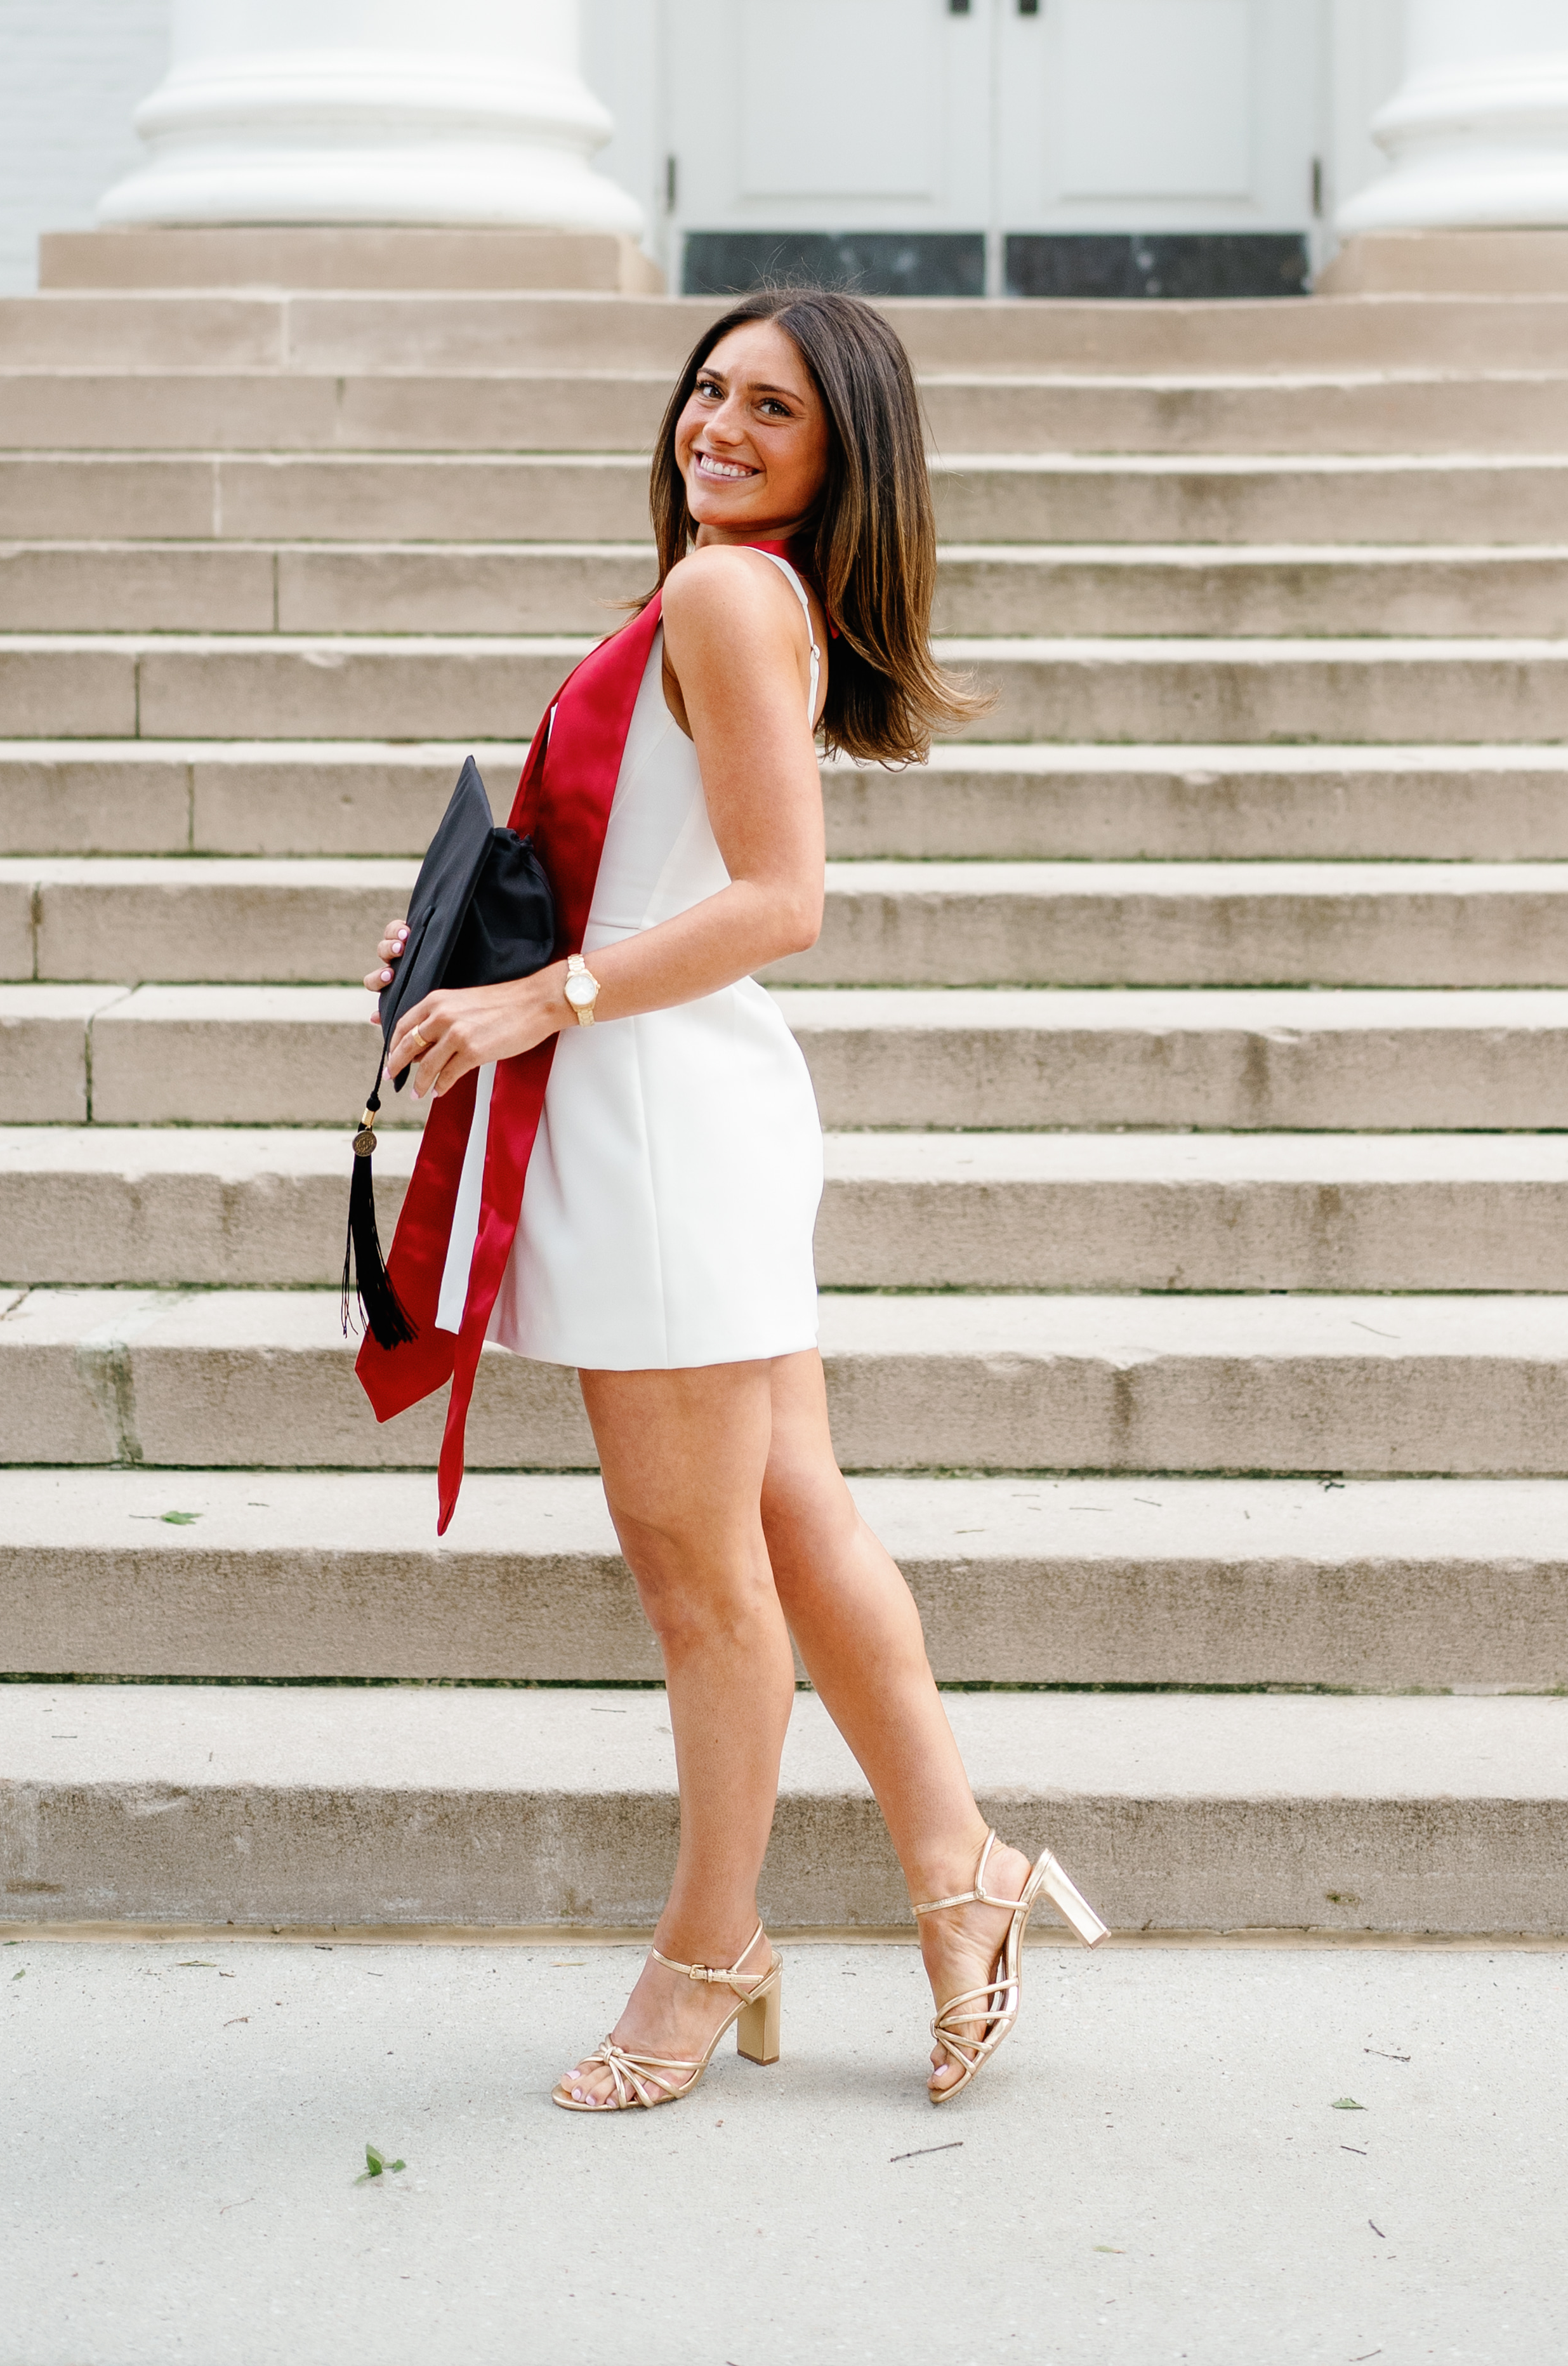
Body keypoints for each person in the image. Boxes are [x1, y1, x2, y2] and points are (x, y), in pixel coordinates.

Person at [364, 286, 1106, 2115]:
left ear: (841, 456)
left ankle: (713, 1948)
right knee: (795, 1523)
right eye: (711, 390)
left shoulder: (722, 592)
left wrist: (552, 994)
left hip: (660, 1122)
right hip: (683, 1096)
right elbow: (662, 864)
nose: (721, 425)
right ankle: (965, 1878)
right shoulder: (737, 595)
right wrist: (481, 946)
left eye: (774, 410)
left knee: (704, 1578)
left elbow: (784, 895)